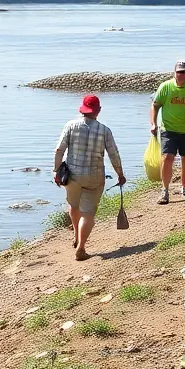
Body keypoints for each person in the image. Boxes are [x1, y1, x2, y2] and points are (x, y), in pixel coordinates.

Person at [54, 94, 127, 261]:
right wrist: (120, 174)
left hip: (72, 175)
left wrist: (56, 171)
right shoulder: (104, 130)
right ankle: (81, 247)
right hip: (94, 176)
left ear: (82, 109)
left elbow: (59, 150)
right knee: (88, 214)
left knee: (73, 205)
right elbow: (113, 154)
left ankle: (76, 236)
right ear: (98, 110)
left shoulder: (71, 126)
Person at [150, 61, 185, 204]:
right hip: (168, 129)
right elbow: (155, 105)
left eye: (184, 72)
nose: (181, 75)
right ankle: (165, 191)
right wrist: (153, 123)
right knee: (167, 157)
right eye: (179, 72)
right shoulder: (165, 87)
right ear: (174, 73)